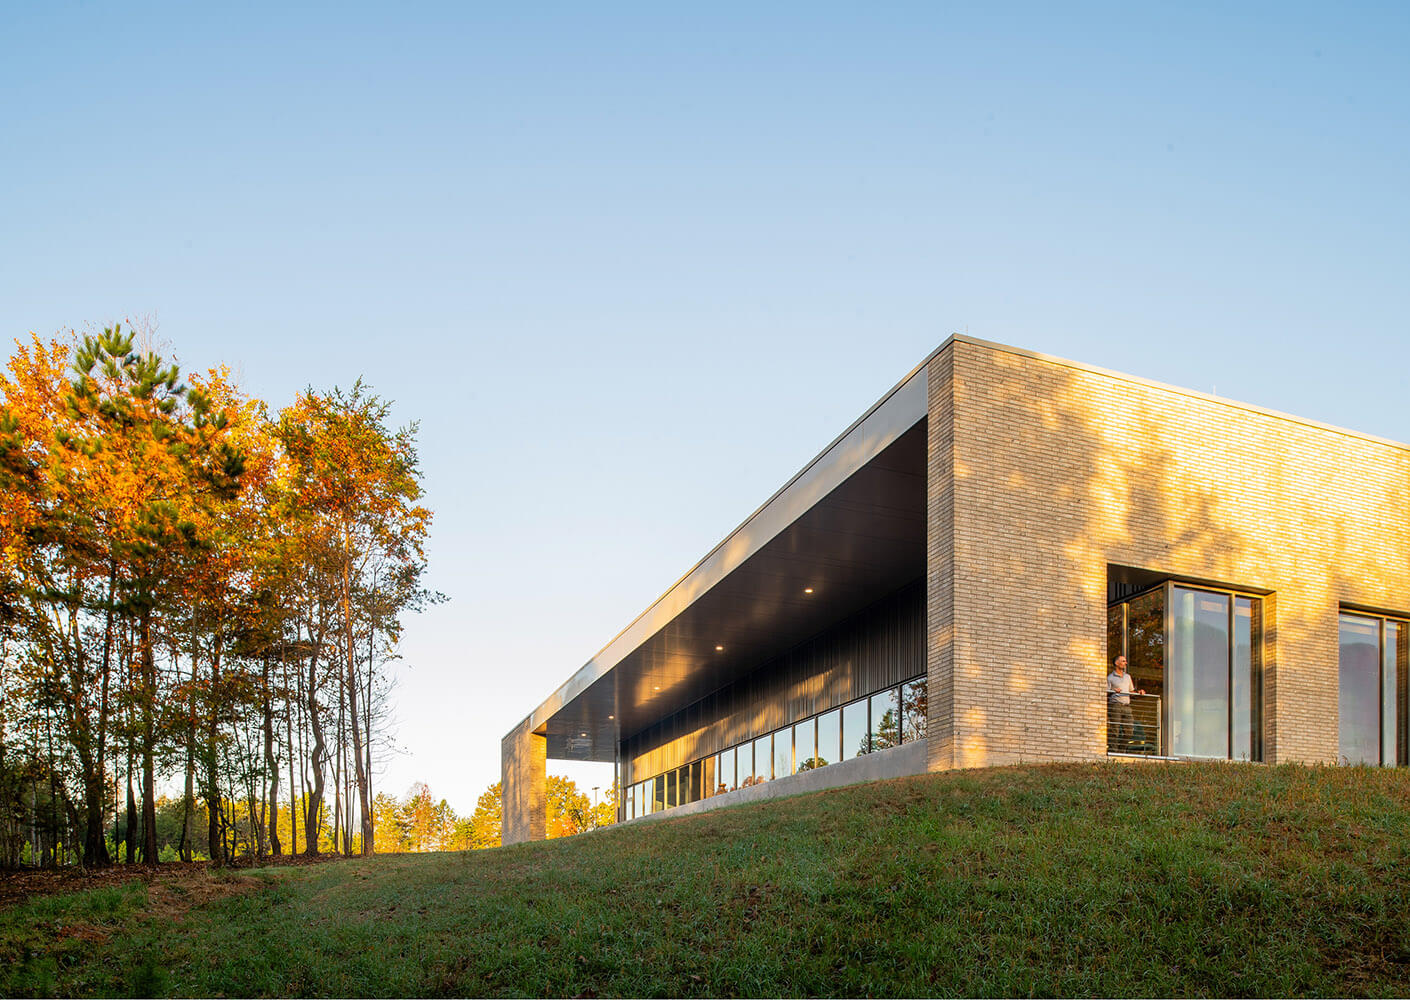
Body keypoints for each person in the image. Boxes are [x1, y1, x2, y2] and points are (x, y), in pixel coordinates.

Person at [1107, 655, 1145, 751]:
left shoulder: (1128, 677)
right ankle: (1113, 751)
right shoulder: (1110, 678)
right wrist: (1113, 691)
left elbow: (1131, 691)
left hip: (1127, 706)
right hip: (1115, 705)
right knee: (1115, 730)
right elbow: (1105, 693)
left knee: (1129, 732)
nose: (1126, 663)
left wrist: (1139, 692)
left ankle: (1121, 750)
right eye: (1123, 661)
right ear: (1117, 663)